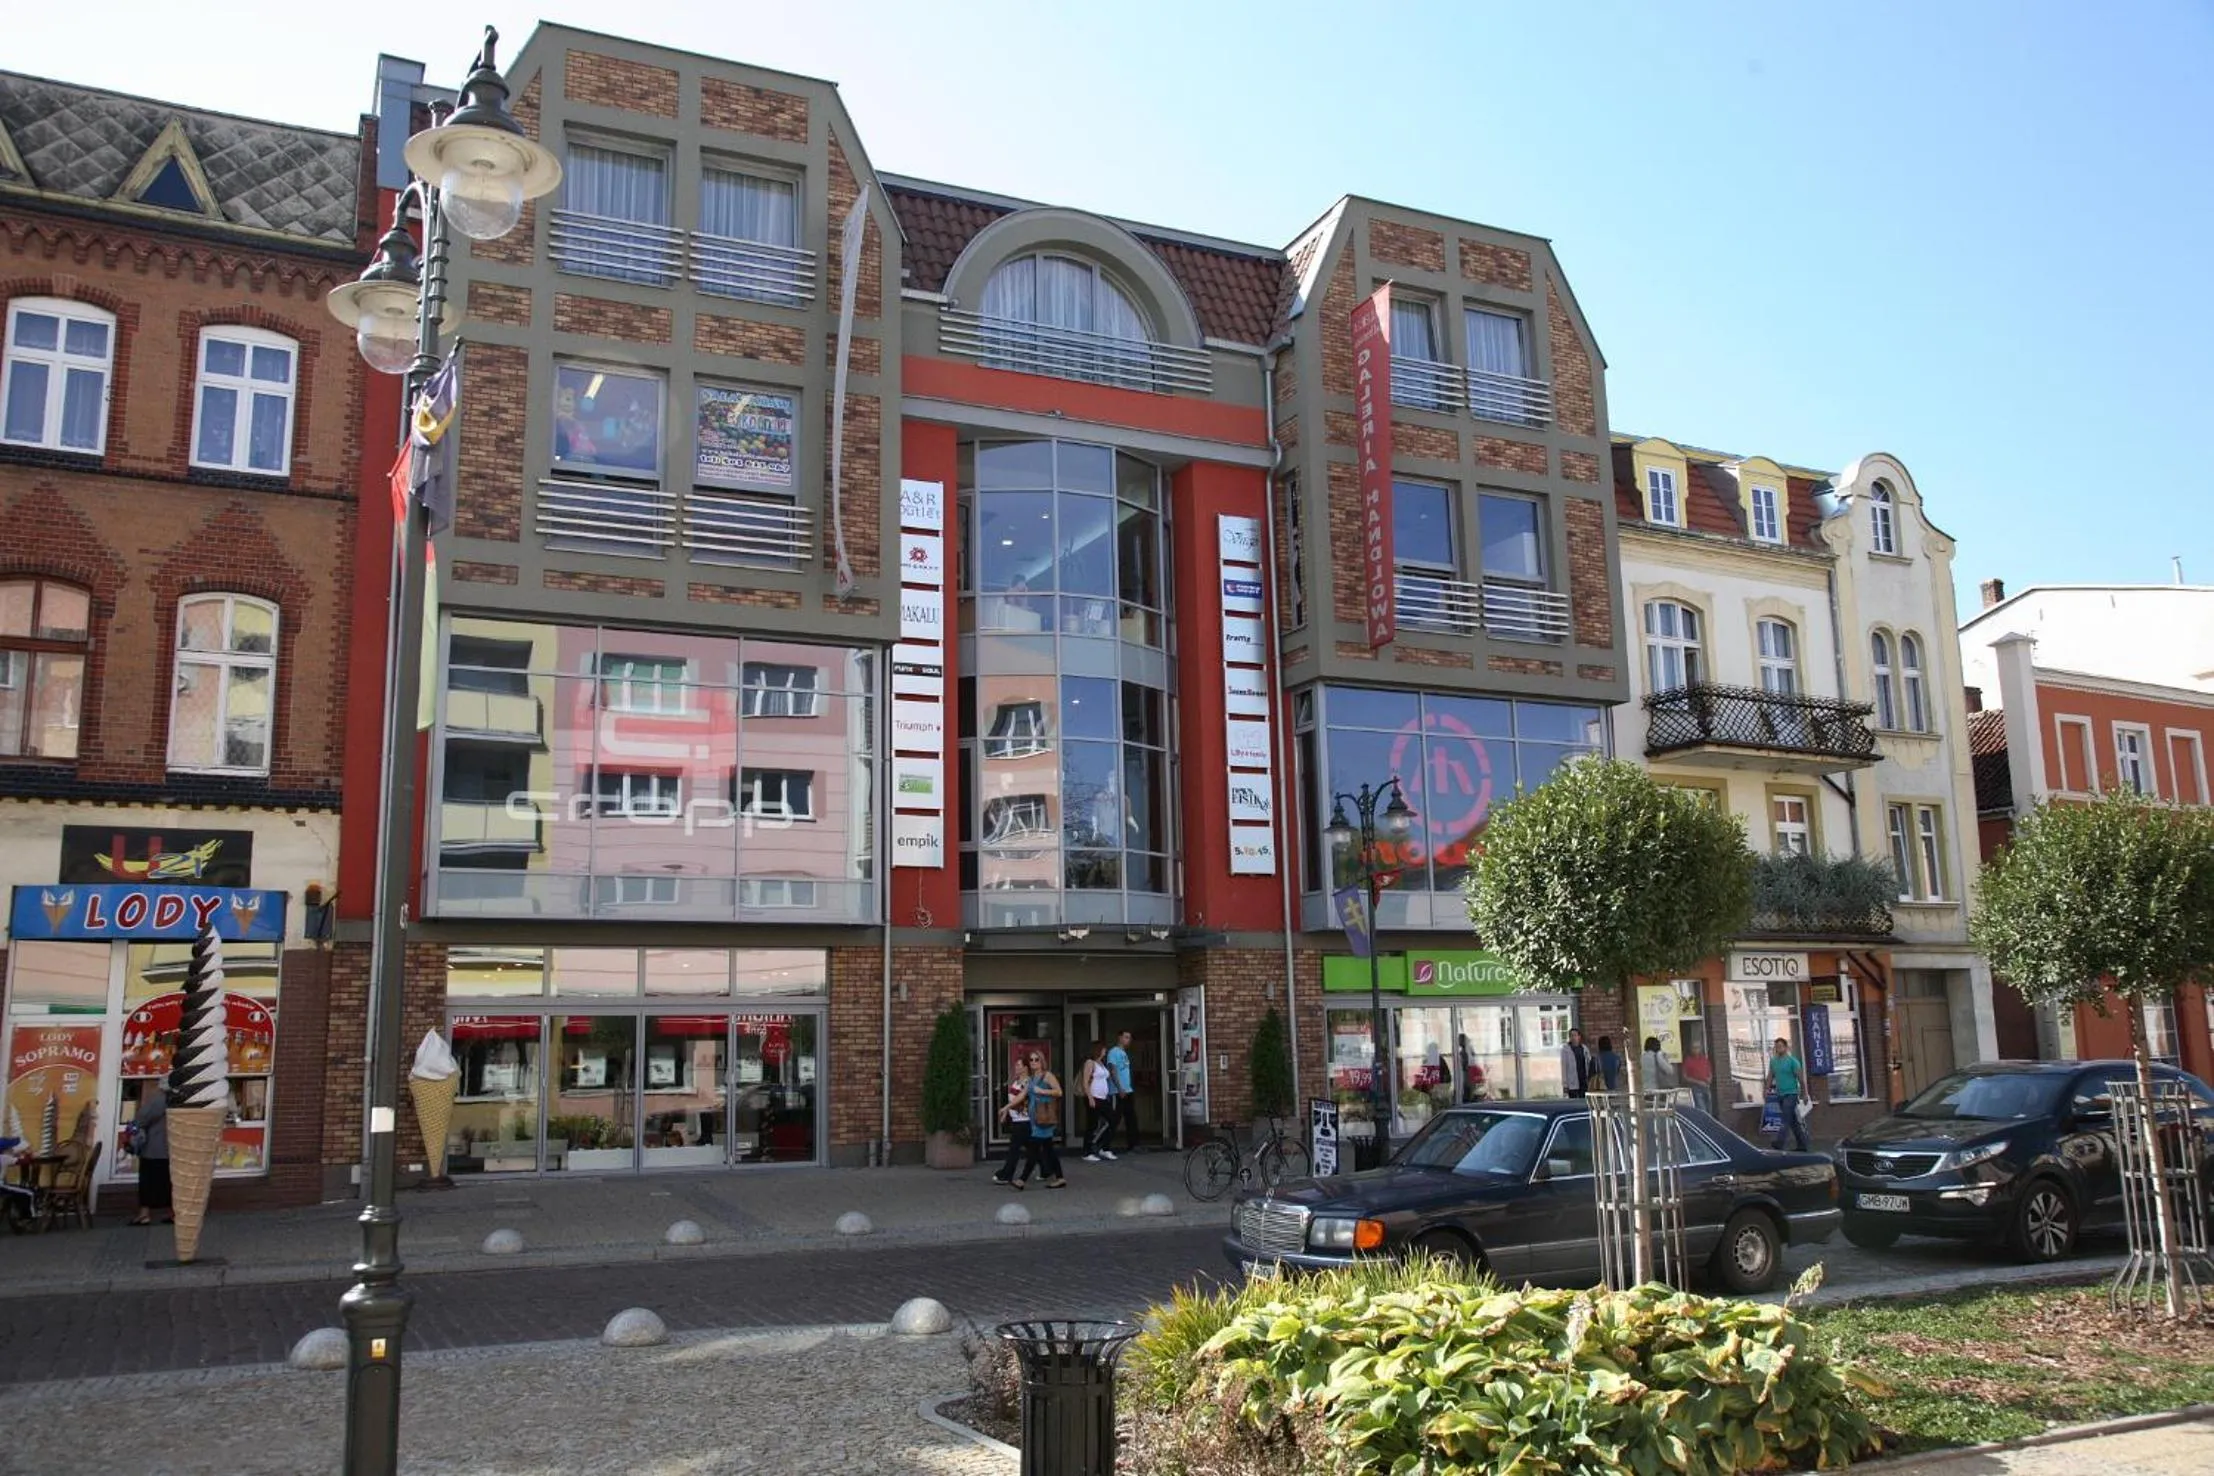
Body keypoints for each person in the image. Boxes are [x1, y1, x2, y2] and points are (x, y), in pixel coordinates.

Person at [1012, 1051, 1066, 1189]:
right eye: (1031, 1060)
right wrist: (1006, 1108)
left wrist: (1042, 1091)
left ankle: (1022, 1180)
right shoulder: (1031, 1079)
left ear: (1042, 1061)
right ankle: (1060, 1177)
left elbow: (1059, 1091)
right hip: (1035, 1119)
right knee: (1048, 1149)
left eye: (1037, 1059)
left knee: (1034, 1150)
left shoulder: (1047, 1076)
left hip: (1044, 1120)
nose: (1034, 1062)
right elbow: (1022, 1095)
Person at [128, 1081, 173, 1226]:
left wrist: (130, 1130)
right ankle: (173, 1212)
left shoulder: (159, 1099)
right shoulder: (179, 1099)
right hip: (173, 1148)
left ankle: (144, 1214)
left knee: (148, 1181)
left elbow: (141, 1119)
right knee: (170, 1182)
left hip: (155, 1147)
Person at [990, 1060, 1033, 1185]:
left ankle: (1006, 1174)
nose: (1016, 1067)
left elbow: (1020, 1100)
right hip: (1017, 1119)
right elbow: (1012, 1101)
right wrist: (1006, 1113)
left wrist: (1005, 1109)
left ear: (1025, 1068)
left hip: (1024, 1120)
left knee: (1014, 1149)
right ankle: (1047, 1168)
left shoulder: (1028, 1082)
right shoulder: (1016, 1081)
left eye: (1019, 1065)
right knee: (1032, 1148)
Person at [1768, 1037, 1811, 1152]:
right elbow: (1770, 1076)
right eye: (1777, 1047)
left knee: (1785, 1118)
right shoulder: (1773, 1061)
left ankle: (1779, 1143)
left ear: (1786, 1048)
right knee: (1793, 1122)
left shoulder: (1793, 1061)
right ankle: (1802, 1145)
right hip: (1780, 1094)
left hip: (1791, 1094)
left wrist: (1805, 1094)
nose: (1778, 1048)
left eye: (1781, 1046)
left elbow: (1801, 1079)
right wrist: (1766, 1089)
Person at [1080, 1041, 1117, 1161]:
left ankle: (1104, 1147)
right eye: (1104, 1049)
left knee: (1112, 1120)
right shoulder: (1090, 1063)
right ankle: (1087, 1151)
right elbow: (1085, 1082)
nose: (1105, 1052)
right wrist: (1090, 1097)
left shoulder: (1101, 1063)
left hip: (1103, 1098)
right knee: (1092, 1124)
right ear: (1098, 1050)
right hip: (1093, 1097)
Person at [1106, 1030, 1140, 1153]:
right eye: (1126, 1037)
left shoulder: (1124, 1053)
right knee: (1115, 1118)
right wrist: (1119, 1088)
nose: (1128, 1040)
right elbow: (1113, 1070)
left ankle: (1133, 1144)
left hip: (1128, 1090)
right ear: (1119, 1038)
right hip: (1118, 1091)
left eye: (1129, 1038)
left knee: (1131, 1117)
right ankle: (1105, 1145)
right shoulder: (1113, 1052)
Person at [1680, 1039, 1714, 1114]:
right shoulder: (1688, 1061)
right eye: (1694, 1048)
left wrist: (1709, 1079)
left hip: (1706, 1087)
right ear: (1691, 1049)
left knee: (1709, 1109)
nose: (1696, 1050)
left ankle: (1708, 1124)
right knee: (1702, 1109)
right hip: (1696, 1088)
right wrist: (1698, 1082)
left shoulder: (1704, 1059)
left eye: (1698, 1047)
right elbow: (1685, 1077)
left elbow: (1709, 1072)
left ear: (1701, 1048)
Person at [1560, 1028, 1591, 1099]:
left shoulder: (1584, 1049)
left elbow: (1589, 1063)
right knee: (1573, 1101)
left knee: (1584, 1100)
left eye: (1575, 1035)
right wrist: (1565, 1085)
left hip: (1583, 1080)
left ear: (1579, 1037)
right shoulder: (1565, 1050)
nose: (1573, 1037)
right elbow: (1564, 1067)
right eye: (1571, 1036)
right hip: (1572, 1082)